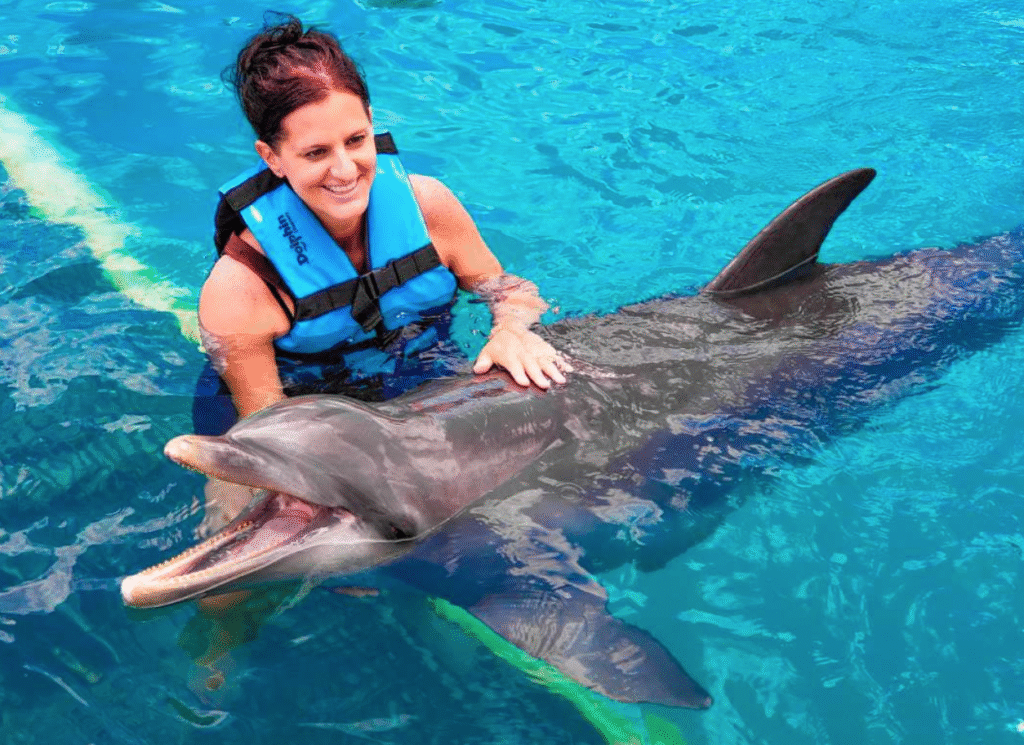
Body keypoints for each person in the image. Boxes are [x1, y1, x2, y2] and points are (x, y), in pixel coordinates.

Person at [194, 15, 568, 434]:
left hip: (419, 374)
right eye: (316, 153)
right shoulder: (240, 289)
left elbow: (509, 290)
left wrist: (511, 328)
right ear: (272, 158)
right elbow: (269, 428)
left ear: (372, 123)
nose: (344, 171)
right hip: (300, 404)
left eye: (356, 140)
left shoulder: (429, 206)